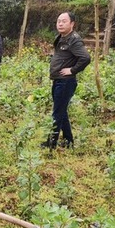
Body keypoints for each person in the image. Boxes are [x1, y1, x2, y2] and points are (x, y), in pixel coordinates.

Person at [42, 12, 91, 149]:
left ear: (72, 24)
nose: (60, 24)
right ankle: (69, 141)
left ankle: (51, 143)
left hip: (66, 81)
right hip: (58, 80)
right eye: (58, 21)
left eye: (64, 21)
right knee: (61, 110)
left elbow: (85, 58)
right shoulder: (62, 37)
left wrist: (72, 70)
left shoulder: (74, 40)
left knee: (57, 112)